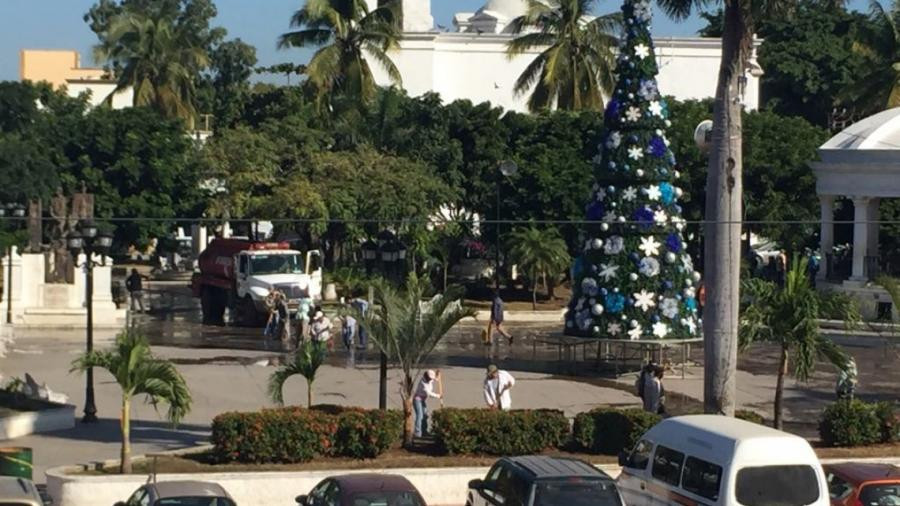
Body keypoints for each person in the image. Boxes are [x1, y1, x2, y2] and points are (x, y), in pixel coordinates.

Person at [413, 369, 442, 438]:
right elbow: (429, 394)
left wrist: (437, 375)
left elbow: (435, 379)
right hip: (417, 400)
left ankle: (424, 431)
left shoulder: (429, 379)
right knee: (420, 415)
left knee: (425, 415)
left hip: (422, 400)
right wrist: (438, 396)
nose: (431, 379)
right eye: (430, 378)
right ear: (426, 377)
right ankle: (418, 433)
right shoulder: (423, 383)